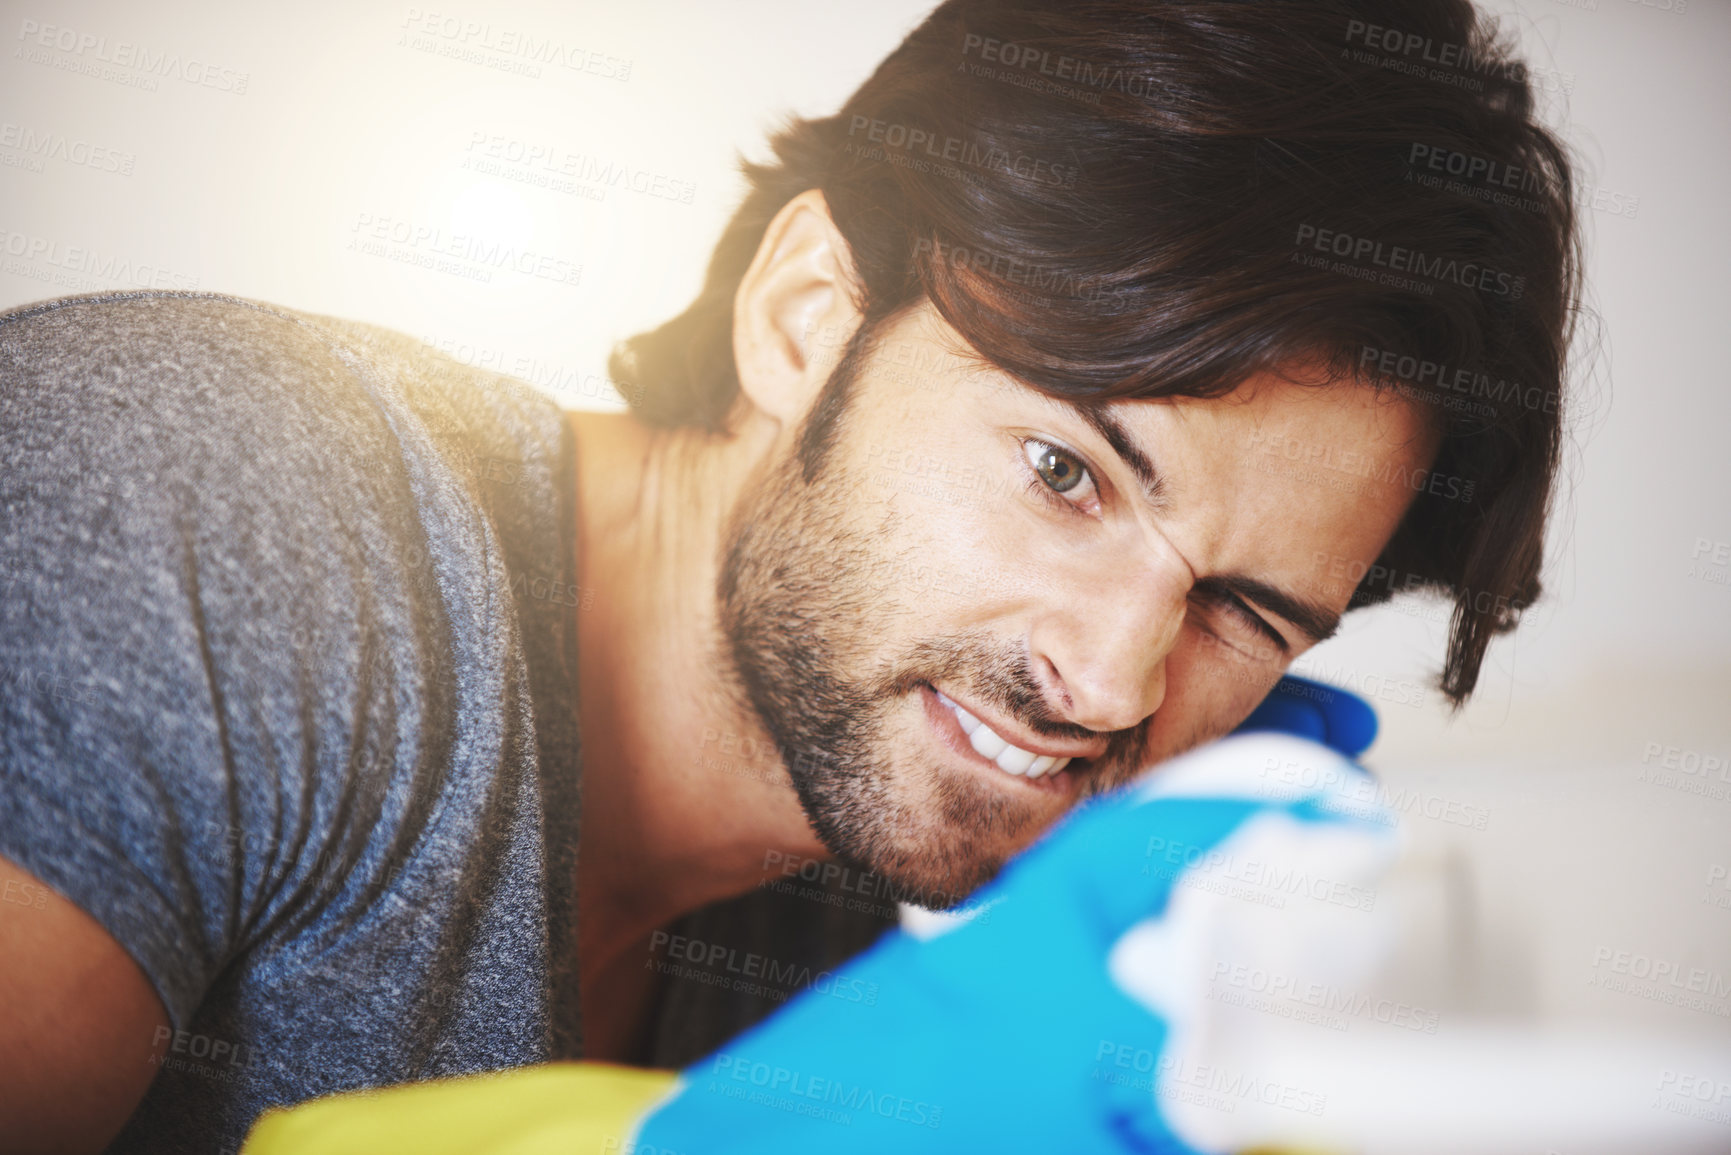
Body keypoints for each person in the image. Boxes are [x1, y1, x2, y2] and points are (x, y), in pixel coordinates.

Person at [0, 0, 1580, 1150]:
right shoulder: (204, 509)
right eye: (1064, 474)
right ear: (805, 312)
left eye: (1243, 611)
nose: (1112, 686)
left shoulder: (912, 921)